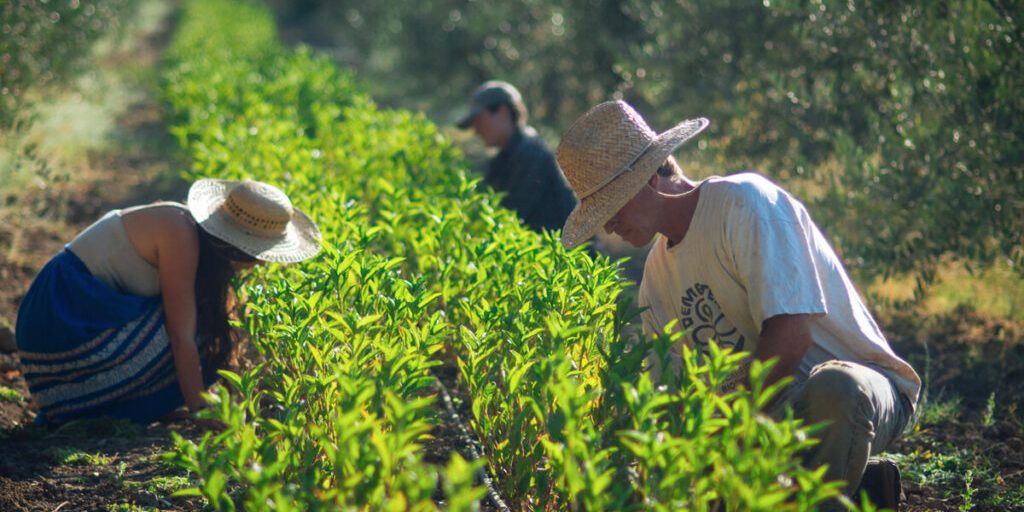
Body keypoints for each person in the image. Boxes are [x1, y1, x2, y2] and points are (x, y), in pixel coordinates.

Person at [555, 100, 920, 508]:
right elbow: (672, 400)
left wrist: (732, 438)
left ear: (650, 177)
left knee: (836, 387)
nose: (608, 225)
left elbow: (790, 337)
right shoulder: (655, 284)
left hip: (853, 394)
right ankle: (856, 483)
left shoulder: (745, 203)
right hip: (765, 419)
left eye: (612, 205)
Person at [15, 178, 321, 424]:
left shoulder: (190, 231)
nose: (262, 263)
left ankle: (132, 403)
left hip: (77, 321)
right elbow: (181, 335)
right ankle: (94, 403)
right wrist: (201, 412)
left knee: (214, 315)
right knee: (201, 327)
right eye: (260, 254)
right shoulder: (180, 233)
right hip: (60, 324)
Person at [457, 80, 576, 233]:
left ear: (503, 112)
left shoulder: (532, 153)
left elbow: (510, 216)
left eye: (479, 121)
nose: (476, 131)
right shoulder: (506, 157)